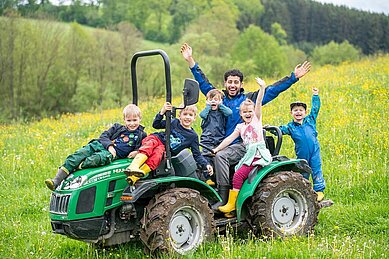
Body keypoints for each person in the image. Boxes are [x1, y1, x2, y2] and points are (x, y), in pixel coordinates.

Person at [180, 43, 311, 208]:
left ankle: (223, 195)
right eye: (229, 82)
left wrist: (293, 77)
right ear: (225, 83)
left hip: (241, 144)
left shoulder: (248, 101)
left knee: (221, 156)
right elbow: (203, 82)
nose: (232, 85)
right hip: (222, 142)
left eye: (236, 82)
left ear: (241, 84)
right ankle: (199, 197)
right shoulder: (219, 98)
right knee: (196, 157)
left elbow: (272, 90)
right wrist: (190, 60)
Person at [45, 104, 147, 191]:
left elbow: (143, 149)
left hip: (111, 154)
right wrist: (110, 146)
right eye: (129, 120)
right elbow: (103, 136)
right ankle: (55, 182)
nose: (132, 123)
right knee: (77, 155)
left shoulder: (141, 135)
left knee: (97, 159)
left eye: (135, 120)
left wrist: (136, 152)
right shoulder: (117, 127)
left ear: (140, 119)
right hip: (100, 145)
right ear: (124, 120)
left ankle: (76, 167)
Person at [213, 78, 272, 216]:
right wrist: (217, 149)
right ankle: (232, 203)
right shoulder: (240, 127)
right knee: (237, 172)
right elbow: (229, 139)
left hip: (257, 155)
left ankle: (231, 204)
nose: (248, 114)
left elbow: (258, 102)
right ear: (240, 114)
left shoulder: (256, 121)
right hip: (248, 154)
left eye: (250, 112)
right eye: (245, 112)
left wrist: (262, 88)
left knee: (238, 175)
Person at [124, 102, 213, 185]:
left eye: (190, 115)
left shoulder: (192, 136)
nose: (187, 117)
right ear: (179, 116)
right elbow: (156, 125)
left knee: (157, 156)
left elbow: (197, 154)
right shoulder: (174, 122)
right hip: (157, 139)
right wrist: (162, 112)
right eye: (185, 114)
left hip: (164, 149)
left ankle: (136, 176)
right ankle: (133, 166)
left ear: (194, 118)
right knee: (150, 144)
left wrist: (206, 164)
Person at [279, 87, 326, 201]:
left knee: (316, 169)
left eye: (301, 110)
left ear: (305, 112)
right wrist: (269, 128)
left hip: (314, 151)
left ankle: (319, 190)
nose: (298, 112)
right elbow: (280, 129)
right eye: (295, 110)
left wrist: (315, 96)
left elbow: (315, 108)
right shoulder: (290, 127)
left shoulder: (310, 120)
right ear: (291, 113)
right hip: (302, 153)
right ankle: (303, 191)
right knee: (303, 171)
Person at [199, 89, 232, 185]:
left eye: (216, 99)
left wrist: (220, 104)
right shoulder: (207, 113)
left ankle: (217, 178)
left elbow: (229, 113)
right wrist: (208, 106)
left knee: (217, 159)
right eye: (211, 99)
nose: (213, 101)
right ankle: (207, 178)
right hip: (207, 140)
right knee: (206, 159)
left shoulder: (222, 112)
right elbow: (202, 115)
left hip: (219, 140)